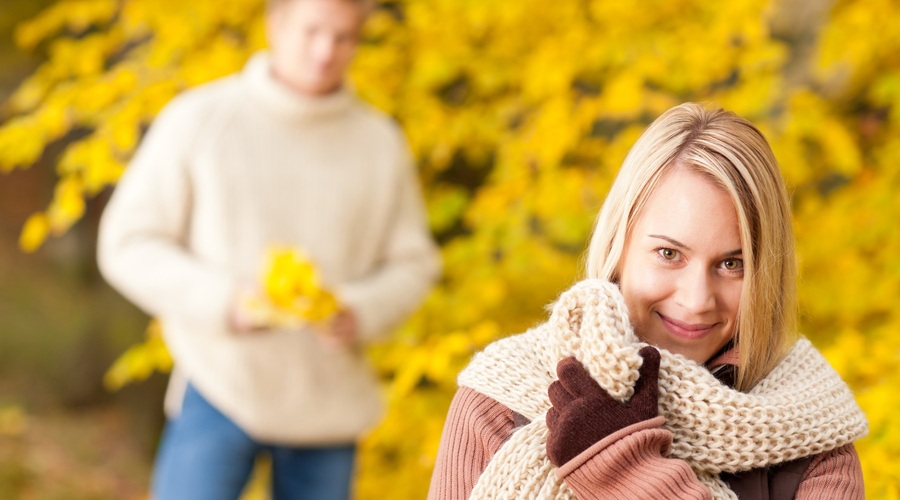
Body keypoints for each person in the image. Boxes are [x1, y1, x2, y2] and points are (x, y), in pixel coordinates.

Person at [428, 103, 867, 499]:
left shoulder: (811, 440)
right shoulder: (497, 407)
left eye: (733, 264)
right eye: (669, 254)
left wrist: (625, 472)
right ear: (620, 245)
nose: (697, 301)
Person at [97, 0, 441, 497]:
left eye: (344, 37)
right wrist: (224, 302)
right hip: (218, 385)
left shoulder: (379, 141)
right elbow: (127, 242)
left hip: (327, 403)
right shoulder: (200, 119)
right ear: (275, 25)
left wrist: (360, 310)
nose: (326, 51)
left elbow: (415, 264)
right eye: (313, 30)